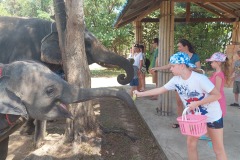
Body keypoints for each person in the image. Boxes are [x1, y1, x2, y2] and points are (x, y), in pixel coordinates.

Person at [133, 52, 227, 160]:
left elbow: (217, 95)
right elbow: (160, 90)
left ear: (182, 66)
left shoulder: (200, 78)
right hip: (194, 118)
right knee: (191, 145)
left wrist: (197, 103)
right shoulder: (175, 80)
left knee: (218, 149)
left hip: (212, 116)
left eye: (173, 66)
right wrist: (140, 94)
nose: (170, 69)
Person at [151, 39, 201, 128]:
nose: (178, 48)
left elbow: (198, 69)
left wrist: (187, 69)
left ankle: (193, 122)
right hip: (179, 83)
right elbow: (169, 66)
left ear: (186, 46)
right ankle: (181, 122)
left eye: (179, 46)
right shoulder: (177, 56)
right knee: (179, 103)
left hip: (191, 83)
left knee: (192, 103)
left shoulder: (195, 56)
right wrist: (157, 68)